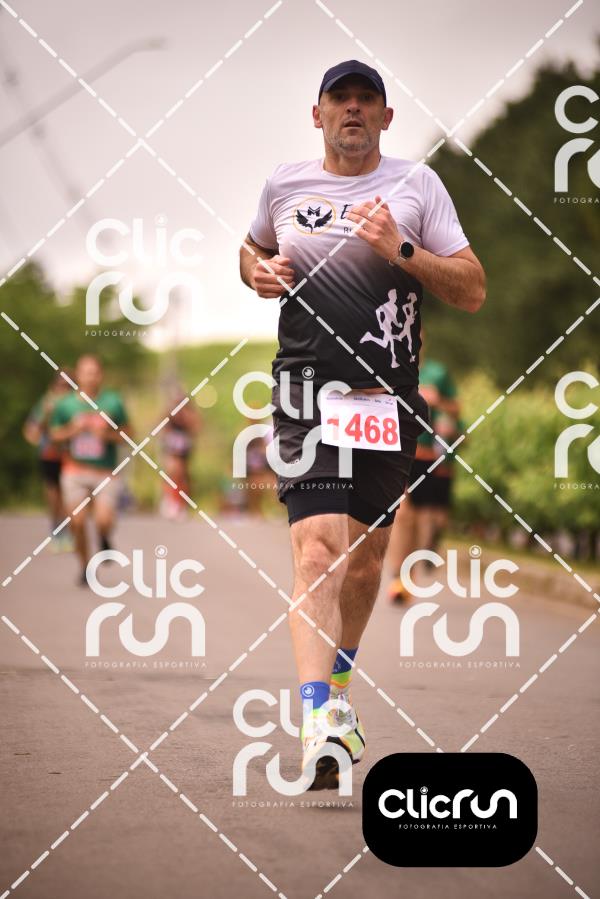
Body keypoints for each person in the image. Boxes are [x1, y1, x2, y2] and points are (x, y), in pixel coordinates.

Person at [240, 60, 485, 789]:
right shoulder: (284, 184)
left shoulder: (418, 186)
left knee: (367, 562)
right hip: (306, 395)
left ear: (386, 116)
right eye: (339, 99)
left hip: (385, 401)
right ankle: (317, 716)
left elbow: (472, 289)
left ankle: (339, 690)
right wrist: (255, 271)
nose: (353, 109)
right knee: (318, 551)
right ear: (317, 114)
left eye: (366, 100)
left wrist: (401, 250)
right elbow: (252, 249)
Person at [387, 350, 461, 603]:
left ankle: (409, 575)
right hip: (396, 449)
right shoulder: (386, 363)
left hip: (428, 455)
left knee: (424, 520)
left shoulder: (437, 373)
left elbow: (456, 410)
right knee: (403, 514)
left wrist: (437, 401)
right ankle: (398, 577)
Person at [50, 355, 130, 585]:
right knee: (77, 522)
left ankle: (104, 536)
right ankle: (85, 566)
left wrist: (106, 435)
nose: (90, 377)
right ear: (78, 375)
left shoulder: (113, 402)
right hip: (74, 470)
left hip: (104, 471)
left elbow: (128, 433)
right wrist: (72, 430)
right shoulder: (65, 405)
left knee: (103, 520)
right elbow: (54, 435)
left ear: (101, 375)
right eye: (86, 372)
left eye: (94, 372)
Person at [23, 371, 73, 551]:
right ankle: (56, 530)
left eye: (68, 386)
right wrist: (46, 413)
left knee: (68, 494)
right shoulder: (46, 403)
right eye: (61, 385)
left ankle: (68, 531)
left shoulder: (75, 404)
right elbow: (31, 429)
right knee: (53, 494)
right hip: (50, 454)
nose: (64, 390)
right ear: (54, 386)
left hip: (70, 456)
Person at [160, 388, 202, 520]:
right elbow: (162, 426)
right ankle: (170, 501)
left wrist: (186, 416)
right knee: (172, 472)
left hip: (183, 449)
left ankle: (181, 504)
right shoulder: (170, 413)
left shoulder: (189, 414)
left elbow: (196, 427)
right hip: (171, 448)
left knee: (182, 476)